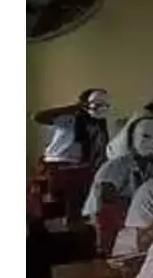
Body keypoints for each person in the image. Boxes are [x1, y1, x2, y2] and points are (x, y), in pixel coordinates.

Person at [33, 88, 113, 218]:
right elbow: (38, 117)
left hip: (82, 166)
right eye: (97, 104)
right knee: (75, 190)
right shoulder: (70, 118)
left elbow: (100, 151)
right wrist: (72, 108)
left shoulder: (99, 123)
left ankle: (80, 221)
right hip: (58, 163)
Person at [85, 115, 153, 222]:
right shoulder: (116, 166)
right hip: (105, 221)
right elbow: (107, 203)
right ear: (133, 137)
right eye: (146, 136)